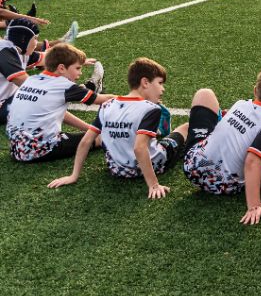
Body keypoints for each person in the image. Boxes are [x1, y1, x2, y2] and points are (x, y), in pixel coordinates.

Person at [48, 58, 189, 198]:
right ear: (145, 82)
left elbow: (85, 141)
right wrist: (153, 185)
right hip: (152, 165)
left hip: (117, 170)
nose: (162, 88)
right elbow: (139, 149)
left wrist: (74, 176)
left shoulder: (107, 105)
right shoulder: (151, 109)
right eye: (160, 83)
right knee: (186, 128)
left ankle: (155, 131)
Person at [182, 65, 261, 224]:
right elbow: (252, 162)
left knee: (204, 94)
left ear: (256, 91)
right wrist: (253, 207)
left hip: (192, 169)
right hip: (224, 185)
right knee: (259, 156)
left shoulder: (241, 104)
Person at [6, 42, 111, 163]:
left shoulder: (34, 80)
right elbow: (103, 100)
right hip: (38, 150)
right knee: (103, 137)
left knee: (92, 134)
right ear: (61, 68)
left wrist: (89, 129)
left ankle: (92, 86)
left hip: (17, 148)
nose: (80, 73)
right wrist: (134, 99)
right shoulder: (64, 87)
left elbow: (61, 114)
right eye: (77, 68)